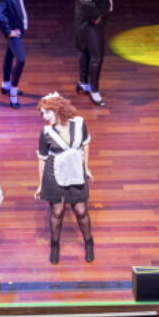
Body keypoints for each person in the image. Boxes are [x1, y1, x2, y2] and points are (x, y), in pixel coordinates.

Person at [35, 93, 95, 264]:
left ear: (57, 110)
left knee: (81, 210)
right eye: (42, 114)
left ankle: (89, 242)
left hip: (75, 171)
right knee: (57, 211)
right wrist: (40, 184)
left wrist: (86, 167)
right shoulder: (46, 132)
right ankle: (55, 245)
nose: (44, 117)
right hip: (54, 172)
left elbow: (85, 144)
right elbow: (42, 158)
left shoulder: (80, 123)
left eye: (47, 112)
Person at [72, 0, 112, 107]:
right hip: (90, 23)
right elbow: (85, 2)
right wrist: (96, 16)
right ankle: (94, 91)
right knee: (97, 56)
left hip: (86, 22)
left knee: (87, 53)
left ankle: (83, 83)